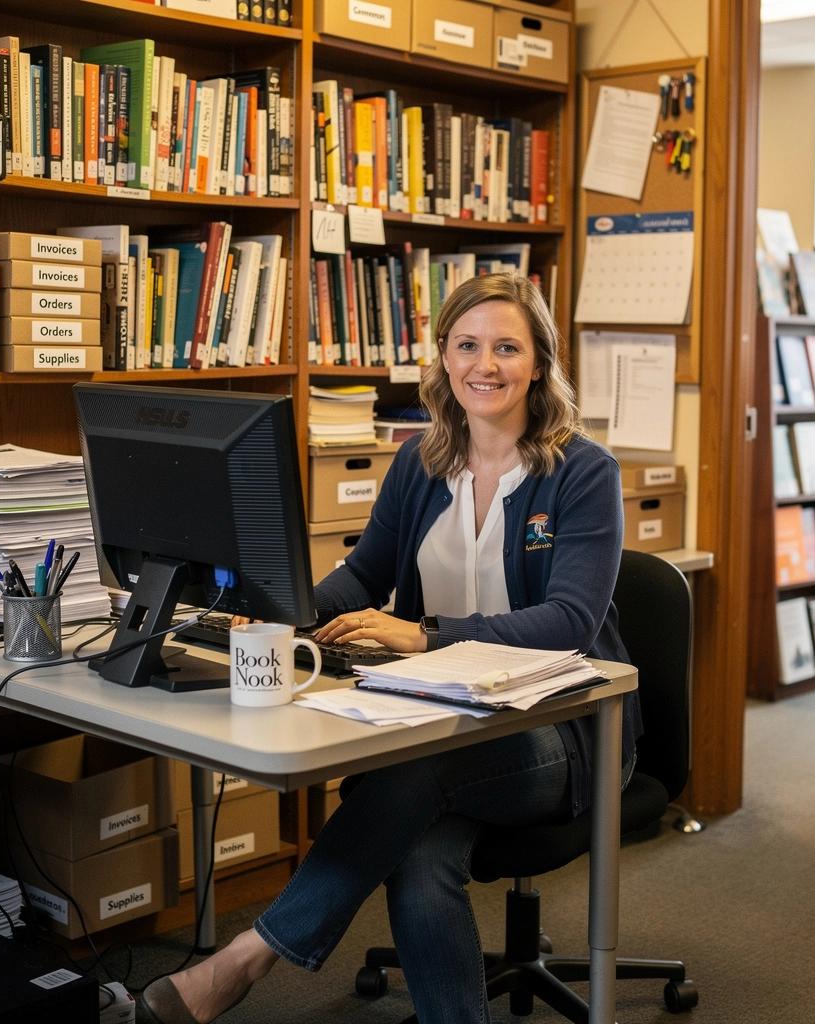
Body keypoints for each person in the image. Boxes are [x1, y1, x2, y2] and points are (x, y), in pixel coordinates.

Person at [142, 273, 642, 1024]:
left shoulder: (583, 473)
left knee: (412, 774)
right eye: (467, 345)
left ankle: (250, 958)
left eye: (508, 347)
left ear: (539, 361)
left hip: (561, 729)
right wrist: (282, 615)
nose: (486, 364)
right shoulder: (420, 462)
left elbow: (570, 620)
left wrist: (427, 636)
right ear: (441, 358)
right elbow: (364, 575)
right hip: (440, 716)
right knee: (418, 857)